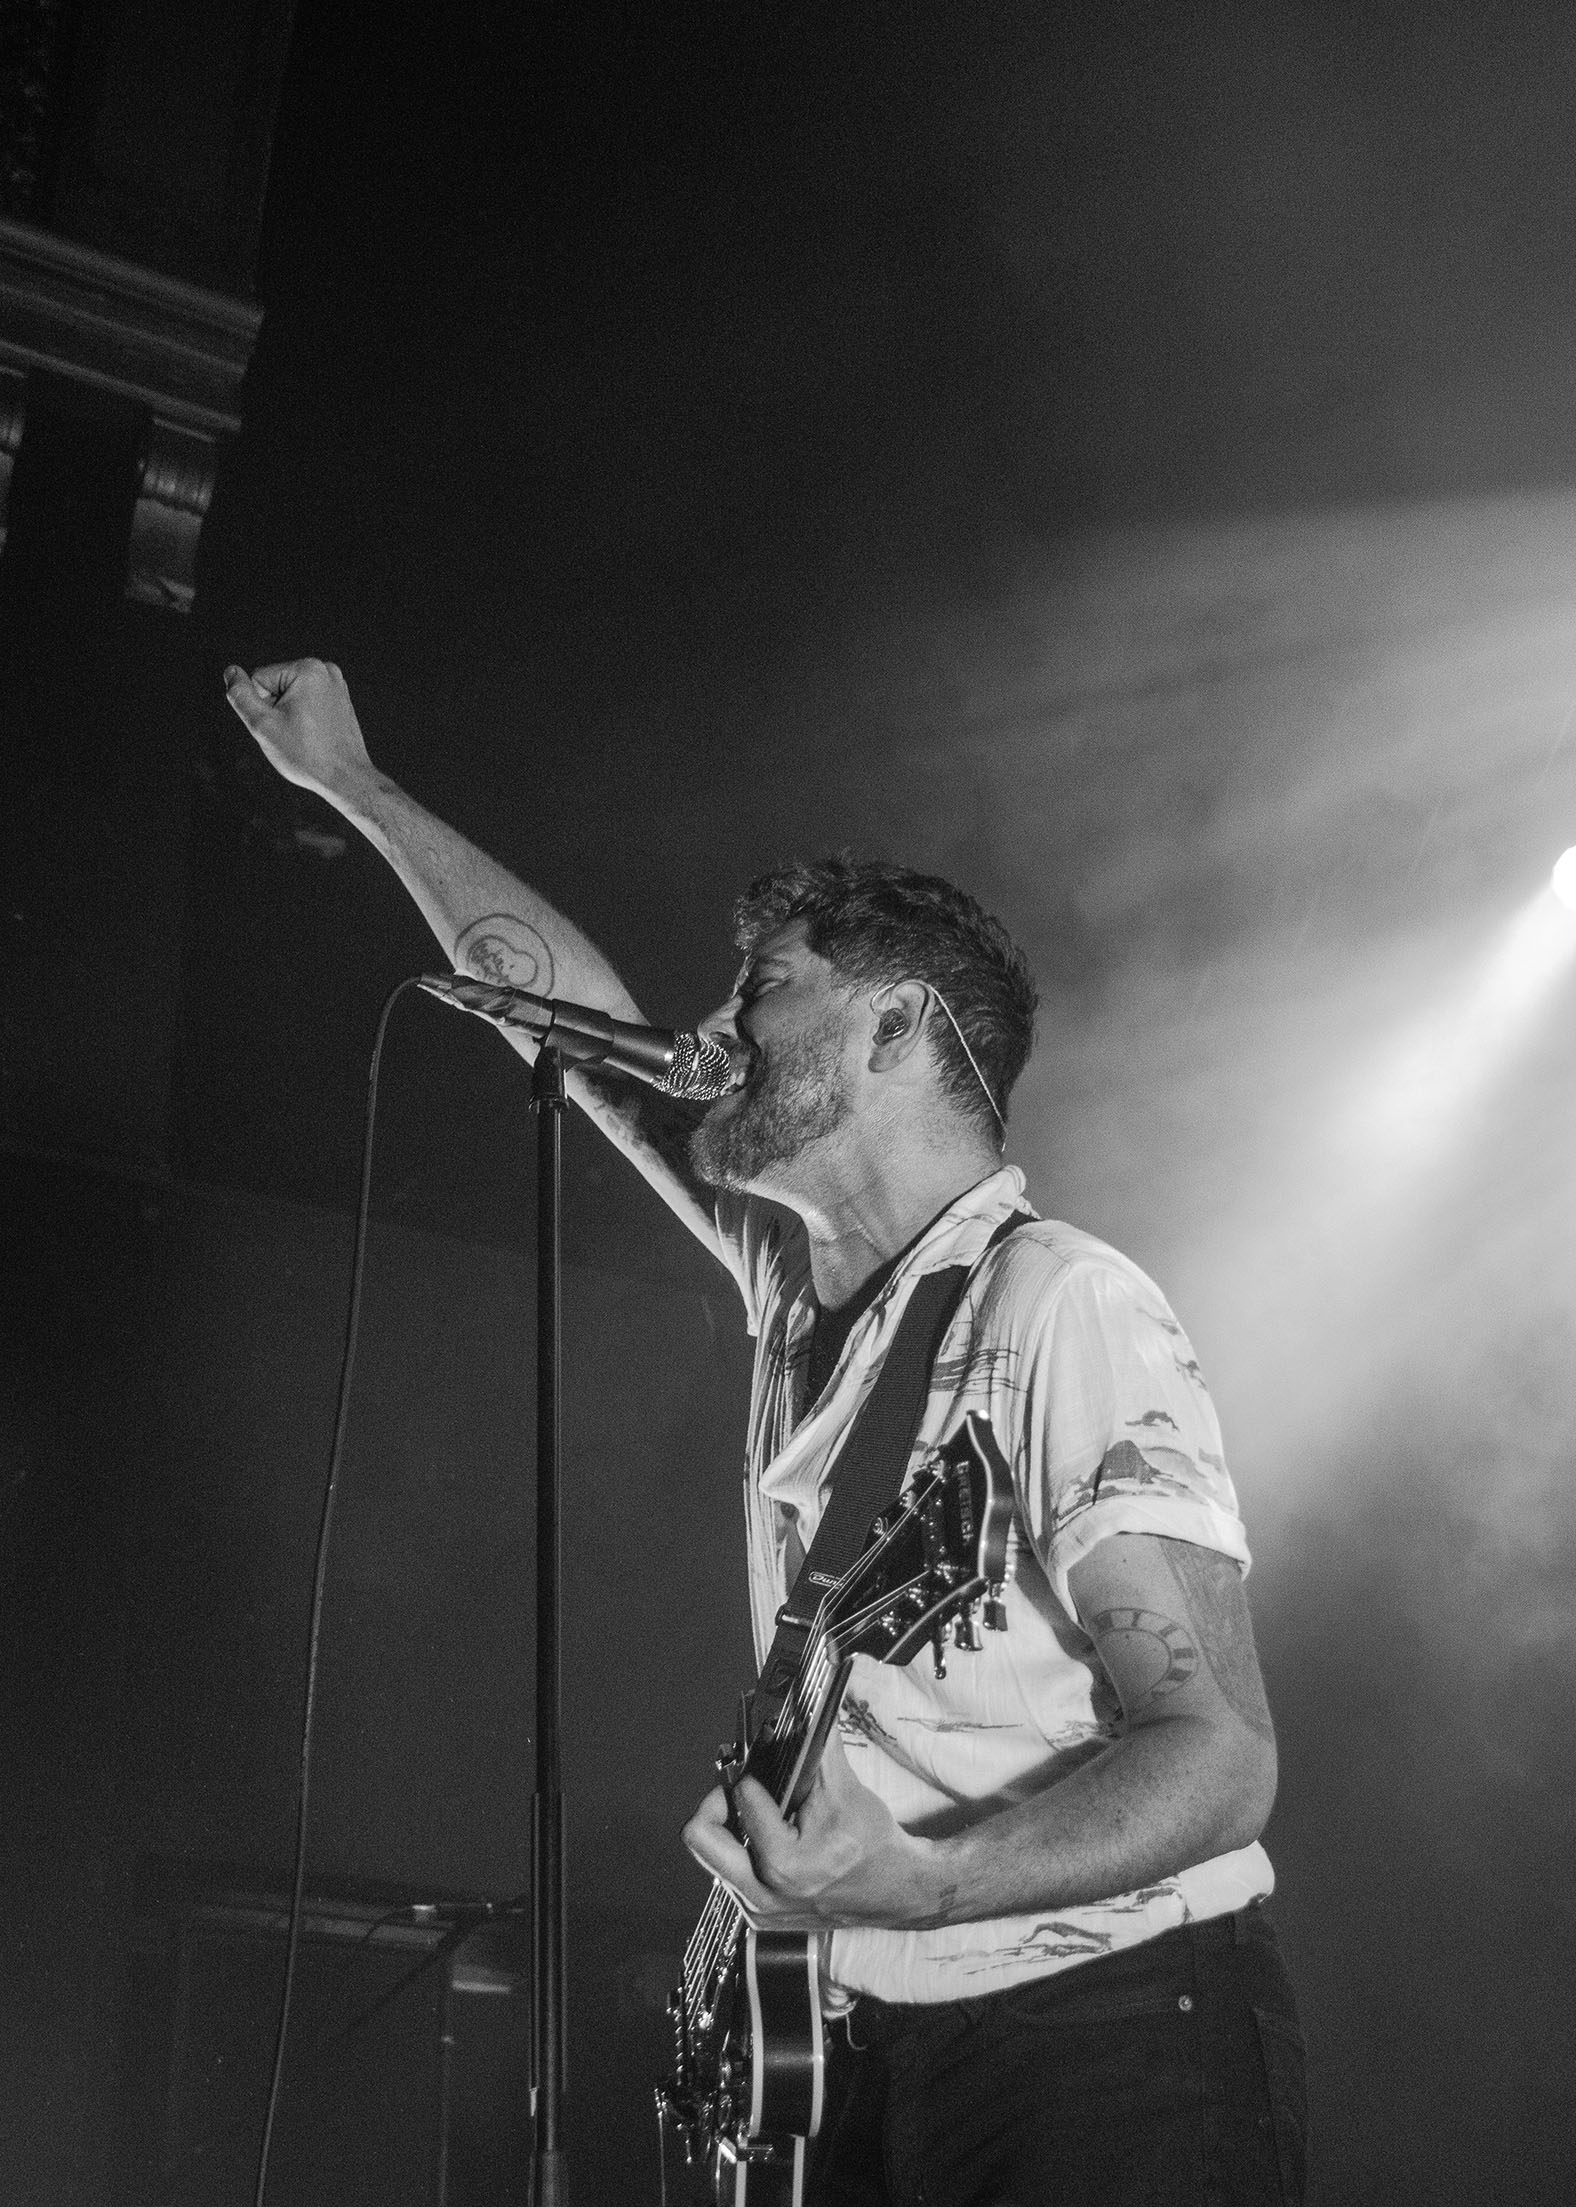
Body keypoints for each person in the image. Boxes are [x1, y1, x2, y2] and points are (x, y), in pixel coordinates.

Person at [225, 656, 1306, 2205]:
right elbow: (579, 1027)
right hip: (871, 2030)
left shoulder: (1063, 1304)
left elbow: (1219, 1754)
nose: (716, 1025)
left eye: (767, 988)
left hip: (1106, 2035)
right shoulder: (797, 1291)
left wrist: (928, 1882)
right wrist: (354, 785)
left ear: (896, 1026)